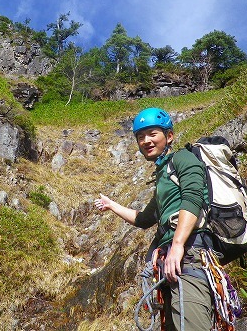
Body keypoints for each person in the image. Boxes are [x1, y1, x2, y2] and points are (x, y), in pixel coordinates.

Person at [94, 107, 214, 331]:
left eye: (152, 134)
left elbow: (193, 197)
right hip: (171, 262)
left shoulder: (183, 158)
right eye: (140, 137)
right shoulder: (164, 178)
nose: (146, 141)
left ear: (169, 136)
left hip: (190, 255)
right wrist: (112, 205)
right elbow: (143, 220)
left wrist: (178, 246)